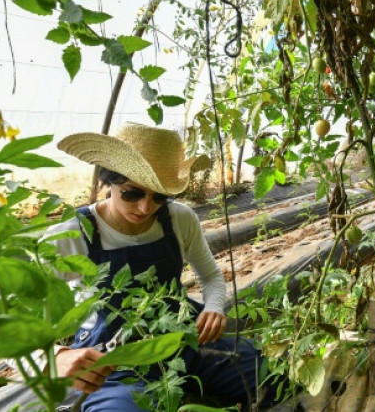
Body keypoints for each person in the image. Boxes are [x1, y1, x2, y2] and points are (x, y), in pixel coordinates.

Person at [46, 122, 279, 411]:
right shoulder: (74, 235)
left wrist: (214, 307)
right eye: (132, 193)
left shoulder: (179, 219)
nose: (146, 208)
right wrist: (55, 357)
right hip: (117, 361)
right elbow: (11, 319)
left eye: (159, 196)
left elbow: (210, 277)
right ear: (109, 181)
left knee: (271, 375)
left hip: (185, 341)